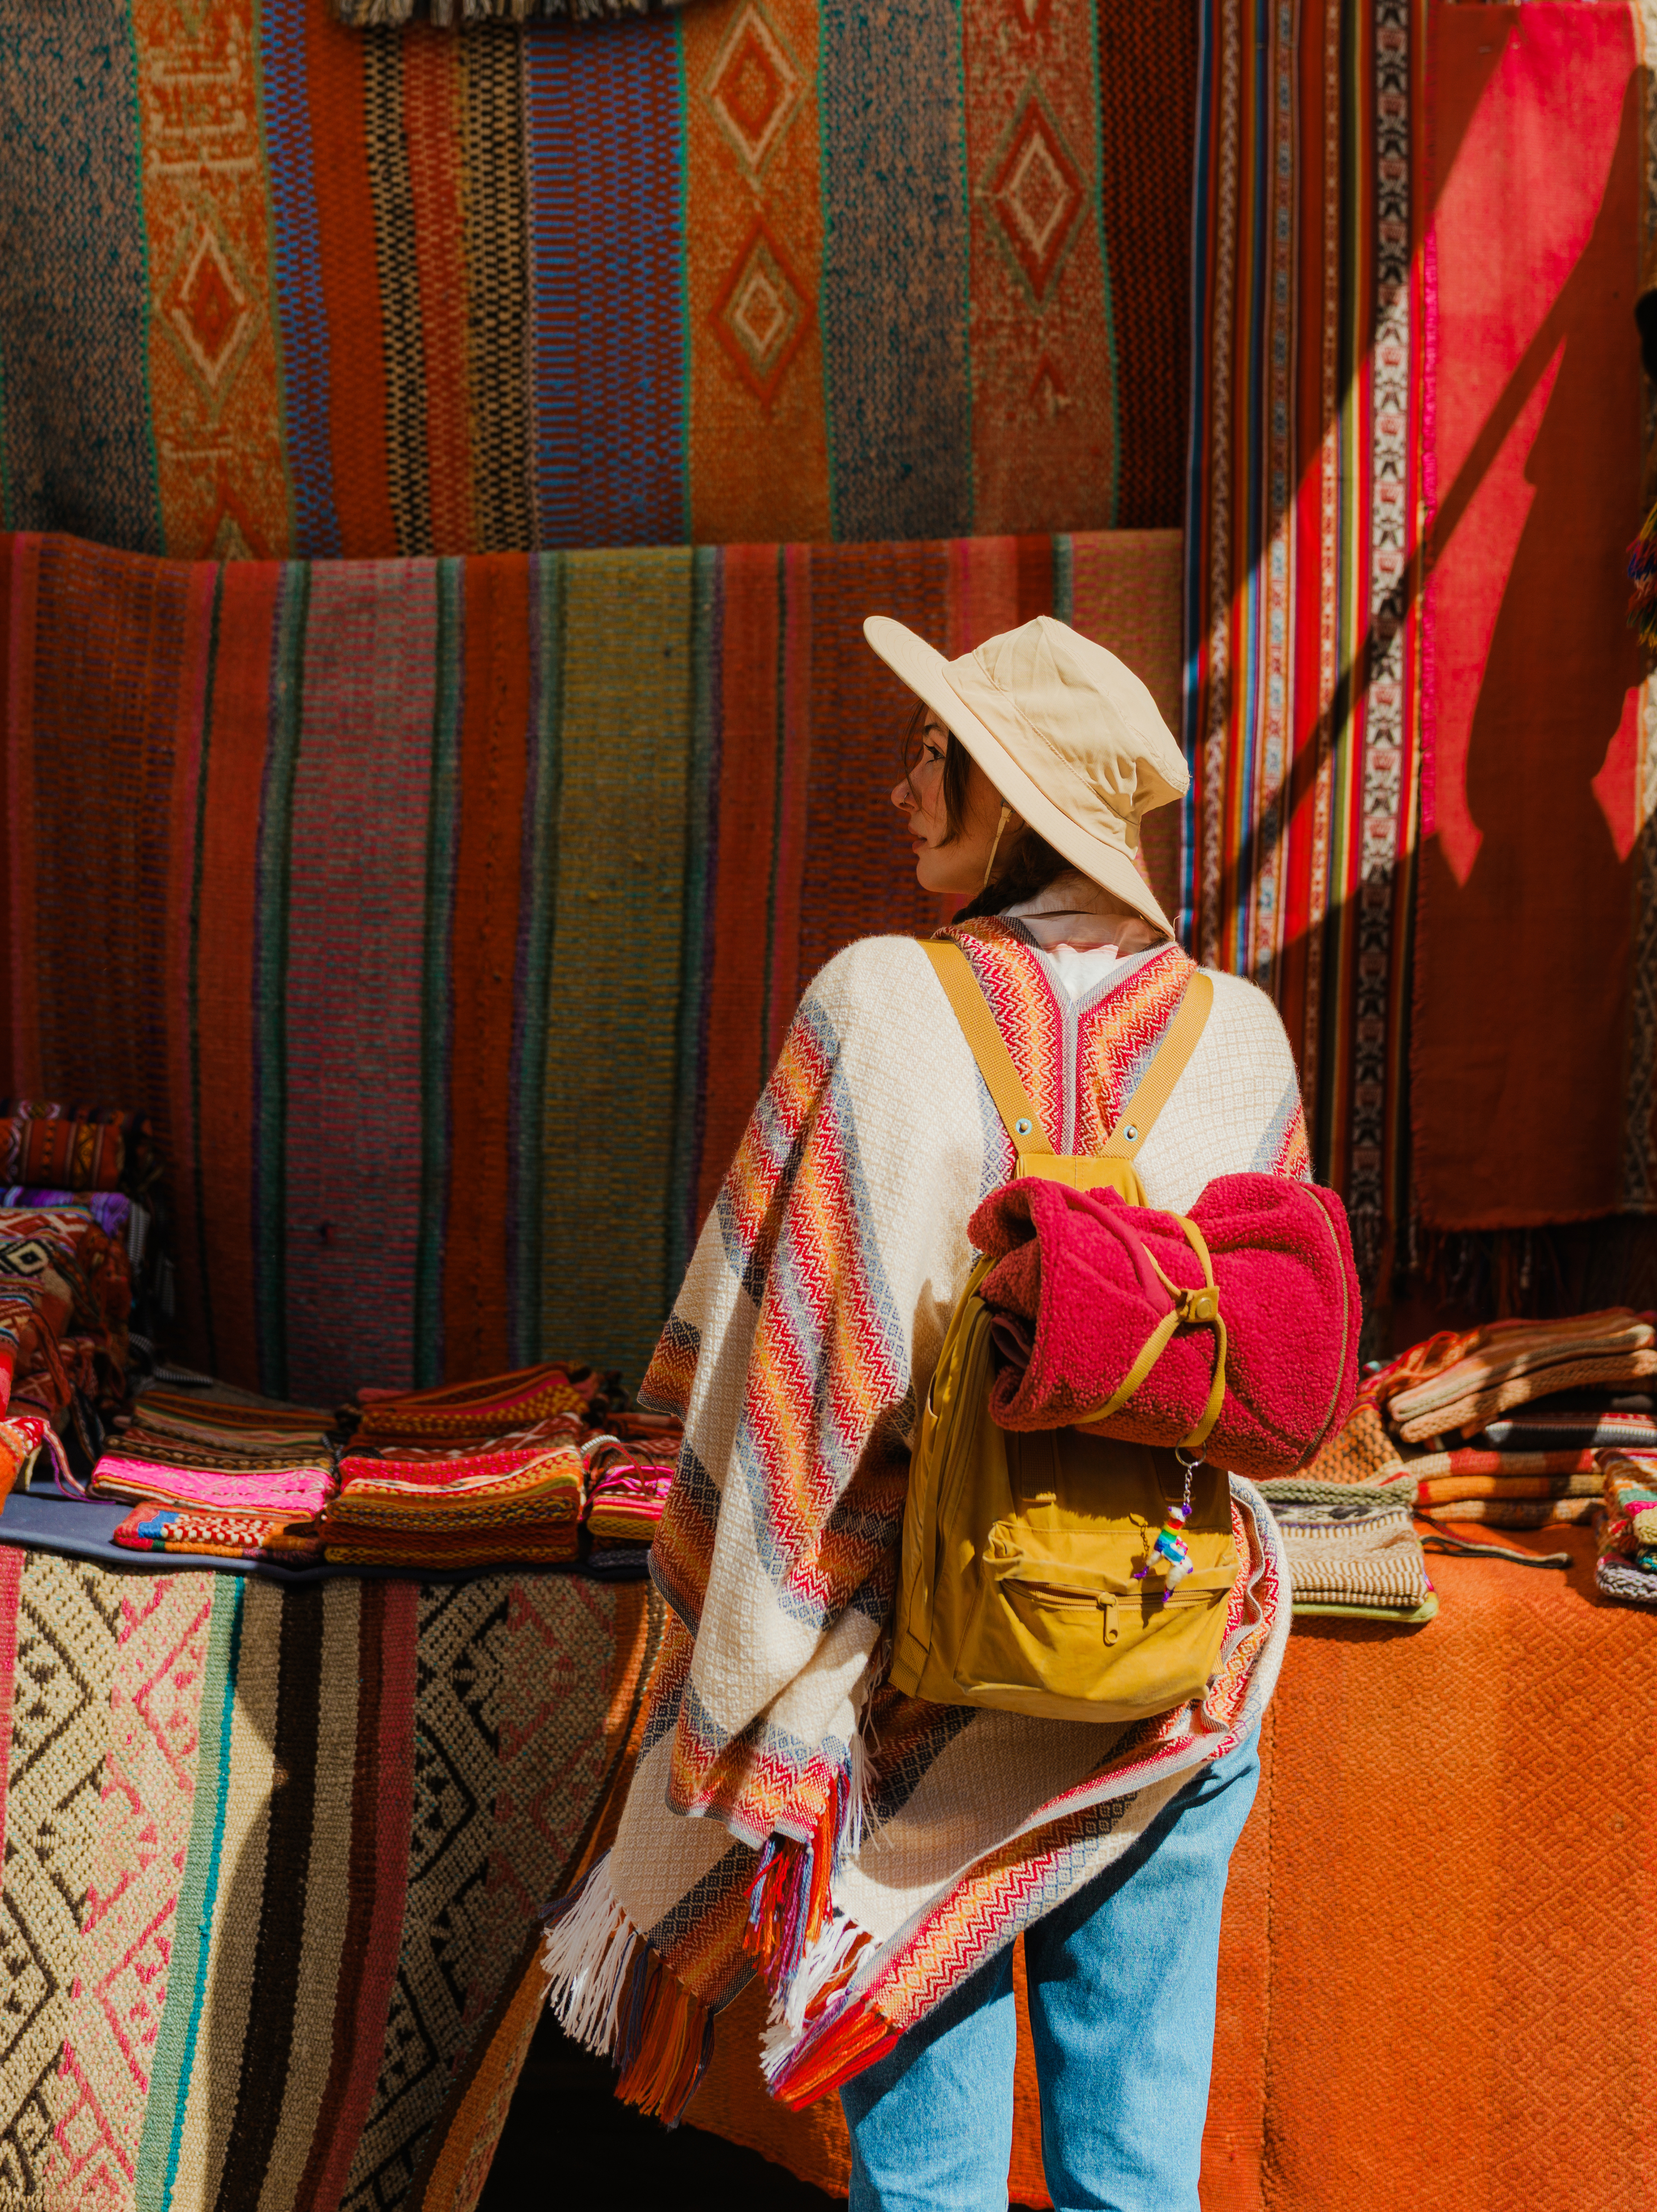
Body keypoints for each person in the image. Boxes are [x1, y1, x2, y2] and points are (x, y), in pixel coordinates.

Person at [544, 613, 1312, 2211]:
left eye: (931, 754)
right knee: (1135, 2182)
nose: (901, 785)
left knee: (933, 2193)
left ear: (1011, 793)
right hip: (1172, 1678)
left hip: (922, 1707)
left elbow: (792, 1398)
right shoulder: (1245, 1039)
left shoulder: (878, 1007)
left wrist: (734, 1682)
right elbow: (1258, 1374)